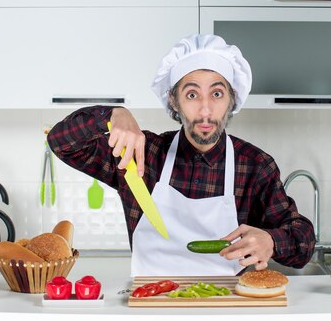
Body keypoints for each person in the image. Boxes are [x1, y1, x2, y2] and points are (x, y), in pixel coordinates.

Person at [47, 34, 316, 276]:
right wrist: (113, 114)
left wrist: (270, 241)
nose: (205, 110)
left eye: (217, 93)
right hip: (151, 303)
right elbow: (61, 142)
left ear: (231, 100)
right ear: (174, 100)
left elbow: (303, 244)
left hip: (229, 307)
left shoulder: (255, 166)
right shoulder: (143, 154)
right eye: (191, 94)